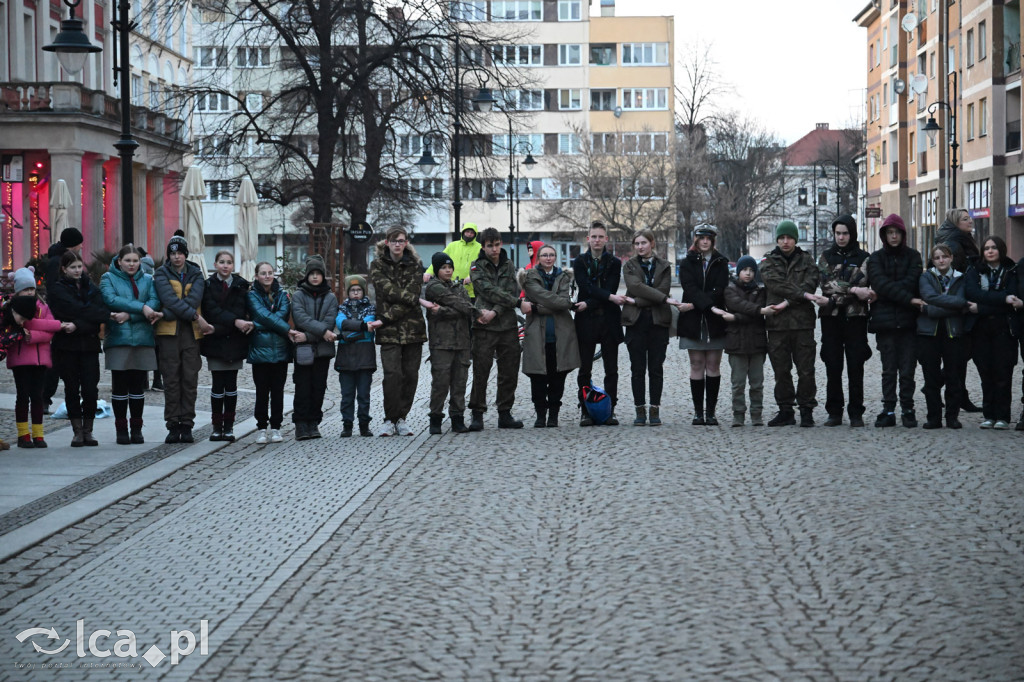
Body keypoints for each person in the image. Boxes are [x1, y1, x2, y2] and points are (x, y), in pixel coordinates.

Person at [761, 219, 825, 427]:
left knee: (806, 370)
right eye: (782, 238)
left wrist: (790, 299)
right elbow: (775, 284)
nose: (785, 241)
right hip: (777, 325)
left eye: (789, 238)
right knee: (781, 370)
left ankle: (806, 409)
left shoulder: (807, 261)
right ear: (777, 240)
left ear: (795, 239)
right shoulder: (769, 261)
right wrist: (801, 294)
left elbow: (811, 283)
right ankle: (785, 410)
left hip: (802, 324)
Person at [866, 213, 925, 428]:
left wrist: (890, 293)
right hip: (885, 324)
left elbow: (912, 282)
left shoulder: (914, 256)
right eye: (889, 233)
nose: (893, 237)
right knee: (889, 370)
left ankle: (908, 409)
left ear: (902, 234)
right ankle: (888, 409)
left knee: (908, 370)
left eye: (896, 233)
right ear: (884, 235)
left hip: (909, 323)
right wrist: (908, 299)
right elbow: (879, 283)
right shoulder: (875, 258)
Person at [370, 227, 430, 436]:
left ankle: (402, 417)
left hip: (412, 329)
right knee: (392, 375)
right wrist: (412, 299)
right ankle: (389, 417)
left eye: (401, 241)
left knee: (410, 376)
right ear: (387, 242)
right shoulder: (377, 265)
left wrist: (388, 315)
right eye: (394, 240)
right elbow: (386, 291)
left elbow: (410, 294)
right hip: (388, 332)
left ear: (406, 243)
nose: (398, 244)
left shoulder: (415, 265)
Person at [100, 245, 162, 444]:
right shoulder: (108, 278)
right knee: (120, 386)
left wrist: (130, 314)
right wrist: (141, 308)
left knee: (137, 387)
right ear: (119, 261)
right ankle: (121, 430)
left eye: (135, 261)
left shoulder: (148, 279)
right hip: (119, 338)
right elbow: (111, 300)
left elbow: (154, 303)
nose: (132, 264)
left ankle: (136, 428)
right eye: (128, 260)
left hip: (143, 338)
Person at [48, 250, 111, 446]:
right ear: (64, 269)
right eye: (73, 267)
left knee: (91, 389)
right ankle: (77, 431)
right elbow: (67, 311)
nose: (77, 271)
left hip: (89, 346)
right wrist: (87, 316)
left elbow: (100, 314)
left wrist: (77, 324)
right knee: (72, 389)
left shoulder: (90, 287)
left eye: (79, 267)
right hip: (66, 348)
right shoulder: (58, 290)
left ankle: (88, 430)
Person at [153, 231, 210, 444]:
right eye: (172, 253)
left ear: (186, 254)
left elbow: (194, 298)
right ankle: (172, 424)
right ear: (168, 255)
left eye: (180, 253)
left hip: (191, 335)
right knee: (171, 381)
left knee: (189, 380)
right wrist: (193, 315)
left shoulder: (196, 274)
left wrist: (170, 312)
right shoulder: (161, 273)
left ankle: (187, 424)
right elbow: (169, 299)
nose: (176, 257)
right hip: (167, 334)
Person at [817, 215, 873, 427]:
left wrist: (836, 297)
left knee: (855, 365)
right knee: (833, 364)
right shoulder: (825, 257)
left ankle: (856, 412)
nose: (841, 237)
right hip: (830, 320)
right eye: (838, 233)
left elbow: (864, 283)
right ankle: (834, 411)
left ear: (852, 234)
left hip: (856, 318)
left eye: (845, 233)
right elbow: (826, 284)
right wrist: (852, 290)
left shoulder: (864, 257)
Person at [468, 227, 526, 430]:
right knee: (481, 370)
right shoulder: (476, 266)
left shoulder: (509, 264)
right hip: (483, 326)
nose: (494, 249)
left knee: (509, 371)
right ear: (483, 247)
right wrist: (503, 307)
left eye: (497, 244)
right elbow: (487, 290)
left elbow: (512, 290)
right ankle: (477, 413)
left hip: (506, 325)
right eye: (490, 245)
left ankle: (505, 412)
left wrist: (495, 312)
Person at [621, 229, 681, 426]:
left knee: (656, 368)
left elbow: (662, 289)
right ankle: (640, 411)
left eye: (643, 243)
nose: (640, 247)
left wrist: (636, 301)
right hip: (636, 323)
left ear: (652, 243)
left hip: (658, 323)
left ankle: (654, 410)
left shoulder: (664, 266)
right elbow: (636, 286)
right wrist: (662, 299)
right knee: (637, 369)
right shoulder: (629, 266)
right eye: (637, 244)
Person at [3, 267, 67, 447]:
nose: (29, 292)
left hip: (40, 358)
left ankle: (39, 434)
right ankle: (23, 434)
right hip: (20, 358)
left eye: (31, 289)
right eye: (25, 289)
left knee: (38, 396)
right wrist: (52, 325)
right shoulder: (11, 307)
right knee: (23, 396)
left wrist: (35, 335)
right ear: (18, 290)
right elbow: (26, 323)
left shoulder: (43, 306)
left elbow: (50, 331)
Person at [965, 236, 1022, 429]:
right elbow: (973, 294)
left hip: (1004, 329)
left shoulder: (1011, 270)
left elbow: (1012, 300)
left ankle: (1002, 416)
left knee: (1003, 373)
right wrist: (1001, 299)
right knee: (985, 373)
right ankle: (989, 414)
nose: (990, 251)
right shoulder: (973, 270)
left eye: (994, 248)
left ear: (1001, 250)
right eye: (986, 248)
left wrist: (982, 307)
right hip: (980, 330)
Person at [520, 243, 580, 427]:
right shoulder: (528, 276)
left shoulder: (563, 276)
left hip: (560, 334)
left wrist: (537, 307)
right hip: (537, 335)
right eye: (544, 255)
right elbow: (556, 301)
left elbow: (563, 302)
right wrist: (561, 304)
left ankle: (553, 414)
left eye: (551, 255)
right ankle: (540, 414)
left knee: (558, 376)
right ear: (538, 258)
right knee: (537, 377)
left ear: (555, 257)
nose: (548, 258)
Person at [572, 221, 625, 426]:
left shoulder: (614, 262)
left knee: (612, 369)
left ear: (606, 239)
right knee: (585, 369)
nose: (597, 240)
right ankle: (585, 409)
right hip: (586, 321)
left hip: (609, 320)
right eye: (593, 236)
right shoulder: (579, 261)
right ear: (588, 239)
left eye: (600, 237)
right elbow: (586, 286)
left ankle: (609, 410)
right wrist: (608, 297)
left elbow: (609, 288)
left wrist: (593, 302)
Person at [917, 243, 975, 429]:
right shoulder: (926, 277)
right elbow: (930, 296)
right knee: (931, 377)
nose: (941, 260)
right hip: (929, 333)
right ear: (932, 260)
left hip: (954, 332)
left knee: (954, 377)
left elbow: (958, 303)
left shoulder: (961, 278)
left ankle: (952, 417)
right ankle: (933, 417)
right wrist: (955, 305)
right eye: (937, 257)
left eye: (944, 256)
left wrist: (931, 309)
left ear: (951, 258)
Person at [677, 224, 730, 426]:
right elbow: (689, 288)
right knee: (697, 364)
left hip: (715, 320)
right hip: (694, 321)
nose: (705, 241)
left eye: (708, 238)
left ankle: (711, 412)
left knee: (713, 365)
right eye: (701, 238)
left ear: (713, 240)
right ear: (696, 240)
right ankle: (698, 412)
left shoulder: (721, 262)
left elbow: (720, 289)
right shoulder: (687, 262)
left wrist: (702, 305)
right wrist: (708, 305)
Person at [201, 250, 253, 442]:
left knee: (231, 386)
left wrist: (218, 328)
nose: (225, 265)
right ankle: (216, 427)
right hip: (215, 343)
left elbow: (240, 310)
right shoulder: (207, 285)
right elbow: (211, 311)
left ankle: (229, 426)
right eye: (221, 262)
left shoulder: (241, 285)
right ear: (215, 264)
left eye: (229, 262)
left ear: (233, 266)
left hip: (234, 342)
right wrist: (234, 322)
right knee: (217, 386)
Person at [935, 208, 983, 413]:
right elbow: (958, 275)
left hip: (963, 304)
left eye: (969, 218)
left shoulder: (961, 240)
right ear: (956, 223)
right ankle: (935, 384)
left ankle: (957, 394)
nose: (970, 221)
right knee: (963, 352)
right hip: (960, 305)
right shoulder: (956, 243)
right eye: (965, 219)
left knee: (962, 353)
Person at [425, 252, 475, 434]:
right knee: (440, 383)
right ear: (437, 270)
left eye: (449, 267)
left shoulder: (459, 287)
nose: (447, 270)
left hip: (462, 342)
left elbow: (464, 308)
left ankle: (457, 418)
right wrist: (466, 309)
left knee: (460, 383)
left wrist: (444, 311)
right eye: (443, 268)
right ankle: (435, 419)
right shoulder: (432, 287)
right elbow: (458, 304)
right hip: (441, 343)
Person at [717, 255, 770, 427]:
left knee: (757, 383)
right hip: (736, 343)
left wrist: (736, 317)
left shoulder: (761, 291)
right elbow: (741, 306)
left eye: (751, 270)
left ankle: (756, 415)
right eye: (745, 270)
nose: (748, 273)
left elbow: (754, 315)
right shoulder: (730, 290)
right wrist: (759, 311)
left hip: (756, 343)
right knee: (737, 384)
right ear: (738, 271)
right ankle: (738, 415)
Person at [290, 255, 338, 440]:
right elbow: (301, 318)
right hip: (303, 350)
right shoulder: (298, 295)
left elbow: (329, 321)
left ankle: (314, 423)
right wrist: (321, 332)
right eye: (312, 273)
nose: (315, 277)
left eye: (319, 273)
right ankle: (301, 424)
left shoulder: (331, 297)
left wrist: (309, 335)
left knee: (319, 387)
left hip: (322, 350)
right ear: (307, 275)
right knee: (302, 387)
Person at [247, 261, 291, 444]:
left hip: (280, 350)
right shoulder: (251, 296)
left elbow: (281, 315)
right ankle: (261, 427)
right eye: (263, 273)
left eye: (270, 273)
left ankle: (276, 427)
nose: (267, 276)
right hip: (260, 351)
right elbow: (261, 314)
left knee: (278, 391)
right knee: (262, 391)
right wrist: (285, 329)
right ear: (257, 275)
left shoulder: (282, 295)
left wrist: (257, 325)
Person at [42, 227, 84, 412]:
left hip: (69, 316)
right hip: (59, 317)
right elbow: (53, 290)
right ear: (72, 245)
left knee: (61, 361)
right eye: (79, 245)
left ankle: (47, 397)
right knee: (56, 360)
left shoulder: (64, 259)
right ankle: (44, 397)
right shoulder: (56, 262)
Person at [335, 275, 381, 438]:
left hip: (364, 355)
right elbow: (341, 323)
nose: (355, 293)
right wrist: (361, 327)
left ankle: (364, 424)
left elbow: (368, 322)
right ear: (348, 292)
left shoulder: (370, 307)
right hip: (346, 357)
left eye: (358, 290)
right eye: (352, 290)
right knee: (346, 394)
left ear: (363, 291)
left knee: (363, 394)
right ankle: (347, 424)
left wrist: (346, 334)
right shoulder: (342, 308)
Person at [423, 223, 483, 300]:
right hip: (451, 288)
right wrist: (429, 272)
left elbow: (482, 267)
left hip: (472, 291)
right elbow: (438, 260)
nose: (469, 234)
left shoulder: (480, 248)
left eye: (472, 233)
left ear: (475, 235)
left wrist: (472, 276)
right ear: (463, 232)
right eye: (467, 231)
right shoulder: (452, 246)